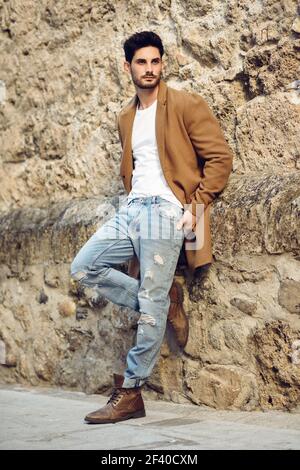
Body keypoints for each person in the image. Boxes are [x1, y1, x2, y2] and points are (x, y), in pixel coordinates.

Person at [70, 31, 233, 424]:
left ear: (162, 63)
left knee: (149, 307)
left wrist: (196, 207)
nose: (149, 69)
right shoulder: (125, 117)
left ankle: (131, 391)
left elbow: (220, 158)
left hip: (165, 212)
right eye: (141, 62)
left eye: (155, 61)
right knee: (83, 267)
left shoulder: (185, 104)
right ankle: (164, 303)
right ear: (127, 67)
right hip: (131, 210)